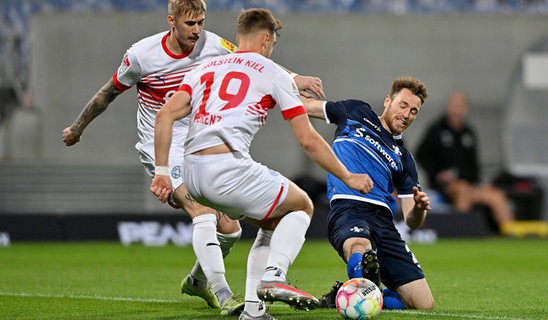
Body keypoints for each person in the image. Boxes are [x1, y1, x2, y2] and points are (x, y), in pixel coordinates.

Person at [61, 0, 325, 316]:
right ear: (171, 21)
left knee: (229, 228)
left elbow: (255, 61)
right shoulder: (141, 55)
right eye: (190, 24)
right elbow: (107, 93)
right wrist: (77, 128)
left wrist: (294, 78)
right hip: (160, 143)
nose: (197, 30)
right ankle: (225, 293)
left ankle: (198, 281)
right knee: (201, 210)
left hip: (198, 140)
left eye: (201, 22)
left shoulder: (213, 45)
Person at [150, 8, 373, 320]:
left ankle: (254, 311)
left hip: (191, 174)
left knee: (272, 221)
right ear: (266, 39)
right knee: (301, 206)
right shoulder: (272, 72)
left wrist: (162, 172)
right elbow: (308, 139)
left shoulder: (205, 68)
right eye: (273, 43)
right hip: (226, 169)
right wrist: (348, 176)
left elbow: (164, 115)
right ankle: (274, 276)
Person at [301, 76, 435, 310]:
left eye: (414, 111)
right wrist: (283, 82)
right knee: (359, 248)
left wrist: (420, 210)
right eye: (403, 105)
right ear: (387, 101)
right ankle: (362, 278)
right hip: (349, 208)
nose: (407, 114)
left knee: (423, 304)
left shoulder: (404, 158)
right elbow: (304, 106)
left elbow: (412, 221)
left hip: (384, 222)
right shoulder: (355, 112)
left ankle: (347, 294)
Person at [415, 91, 519, 235]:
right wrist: (438, 173)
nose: (457, 109)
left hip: (470, 184)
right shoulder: (437, 129)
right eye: (455, 105)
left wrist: (477, 183)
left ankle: (512, 234)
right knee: (463, 192)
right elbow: (421, 155)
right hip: (446, 187)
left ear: (466, 108)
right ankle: (458, 234)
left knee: (497, 196)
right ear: (449, 107)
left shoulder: (468, 133)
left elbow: (474, 165)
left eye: (461, 106)